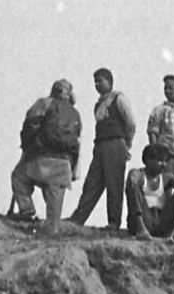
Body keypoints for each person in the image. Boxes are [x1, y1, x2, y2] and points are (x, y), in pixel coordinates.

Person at [66, 69, 139, 230]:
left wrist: (126, 143)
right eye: (96, 82)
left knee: (114, 184)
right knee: (92, 183)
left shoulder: (119, 99)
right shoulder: (99, 104)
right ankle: (78, 218)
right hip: (100, 145)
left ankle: (114, 222)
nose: (98, 84)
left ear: (110, 82)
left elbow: (131, 123)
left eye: (101, 81)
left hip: (115, 143)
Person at [9, 79, 82, 235]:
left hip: (40, 158)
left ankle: (27, 210)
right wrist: (73, 170)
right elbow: (76, 145)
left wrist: (26, 145)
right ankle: (51, 232)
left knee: (18, 177)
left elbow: (30, 126)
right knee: (53, 218)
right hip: (64, 166)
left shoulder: (44, 103)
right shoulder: (75, 114)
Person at [147, 74, 174, 167]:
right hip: (166, 153)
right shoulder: (160, 110)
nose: (167, 91)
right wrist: (156, 153)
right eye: (165, 88)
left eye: (170, 88)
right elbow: (153, 131)